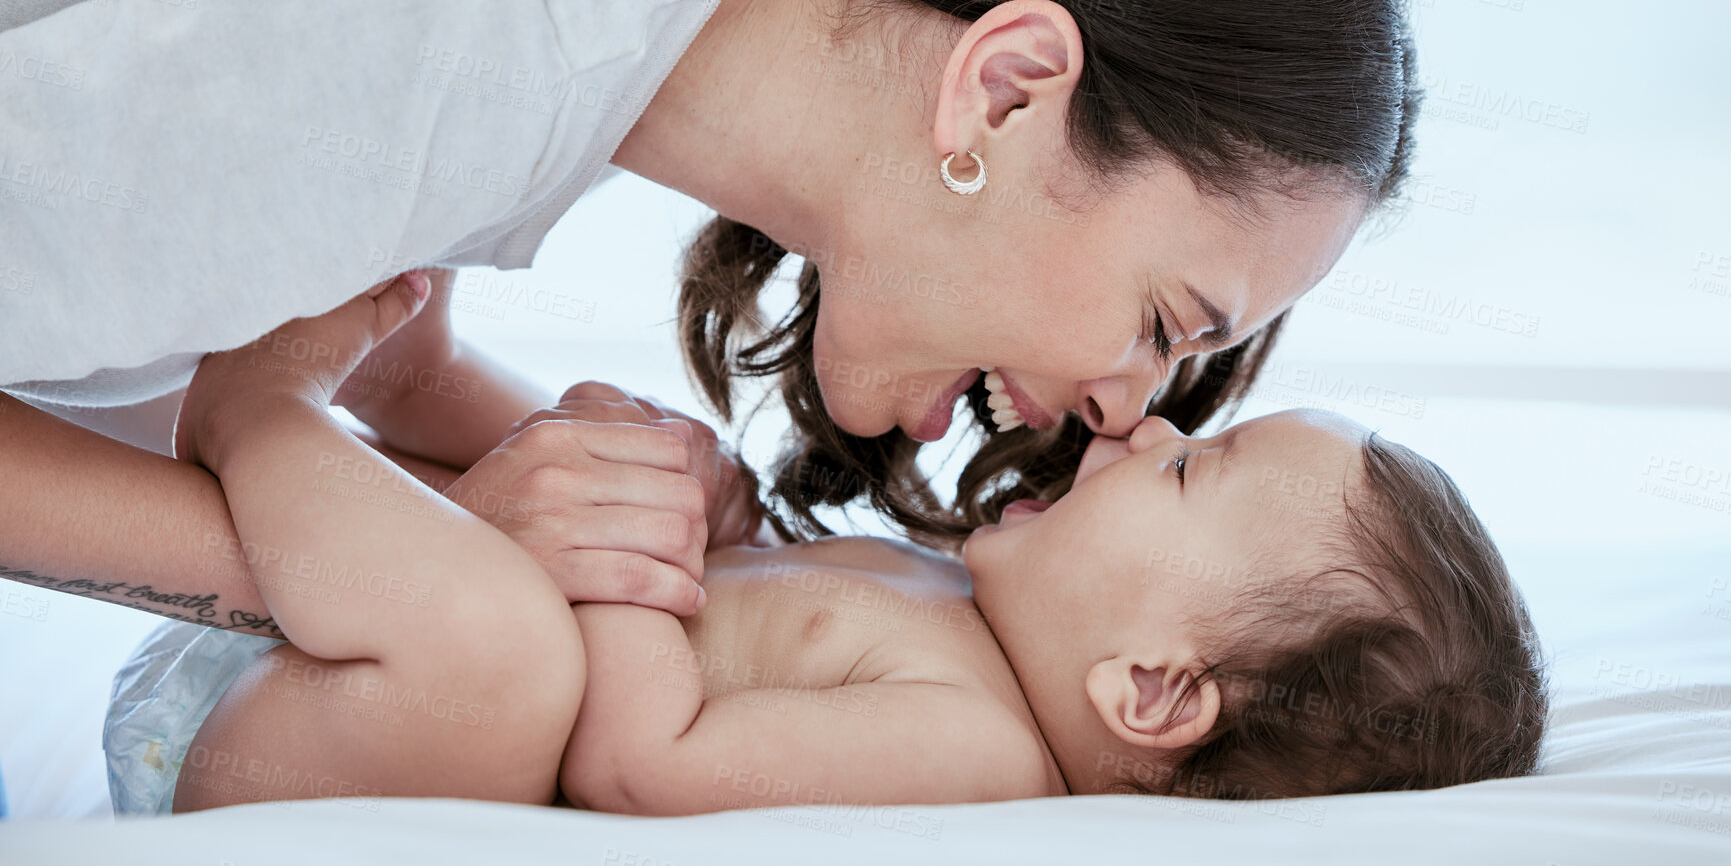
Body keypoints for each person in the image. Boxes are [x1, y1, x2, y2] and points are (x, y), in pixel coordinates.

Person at [2, 0, 1419, 624]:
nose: (1124, 412)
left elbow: (131, 290)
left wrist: (538, 500)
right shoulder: (477, 0)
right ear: (1007, 88)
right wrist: (400, 572)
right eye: (1168, 325)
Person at [106, 276, 1544, 813]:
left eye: (1187, 475)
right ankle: (404, 377)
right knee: (630, 483)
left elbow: (639, 764)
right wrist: (715, 518)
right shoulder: (947, 607)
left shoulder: (973, 750)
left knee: (511, 649)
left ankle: (259, 412)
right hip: (310, 655)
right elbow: (740, 610)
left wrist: (641, 568)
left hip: (289, 754)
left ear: (1152, 694)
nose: (1142, 430)